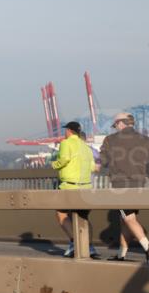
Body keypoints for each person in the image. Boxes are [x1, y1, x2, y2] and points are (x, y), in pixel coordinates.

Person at [99, 112, 149, 263]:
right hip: (140, 184)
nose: (115, 128)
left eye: (115, 125)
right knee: (126, 218)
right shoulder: (146, 140)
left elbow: (103, 162)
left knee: (128, 217)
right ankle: (122, 254)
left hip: (120, 185)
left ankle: (147, 247)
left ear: (121, 123)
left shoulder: (110, 140)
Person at [51, 121, 98, 258]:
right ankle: (90, 247)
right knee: (83, 217)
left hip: (69, 186)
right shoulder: (86, 146)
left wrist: (55, 165)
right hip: (86, 187)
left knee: (61, 214)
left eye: (65, 130)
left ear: (69, 131)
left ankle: (75, 244)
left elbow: (64, 159)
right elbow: (92, 167)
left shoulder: (66, 143)